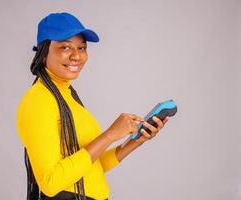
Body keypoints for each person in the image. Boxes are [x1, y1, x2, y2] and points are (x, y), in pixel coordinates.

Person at [16, 12, 169, 200]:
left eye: (82, 48)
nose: (76, 56)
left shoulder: (67, 96)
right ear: (43, 51)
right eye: (65, 47)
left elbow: (91, 166)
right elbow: (50, 182)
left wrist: (136, 141)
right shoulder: (38, 100)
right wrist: (110, 135)